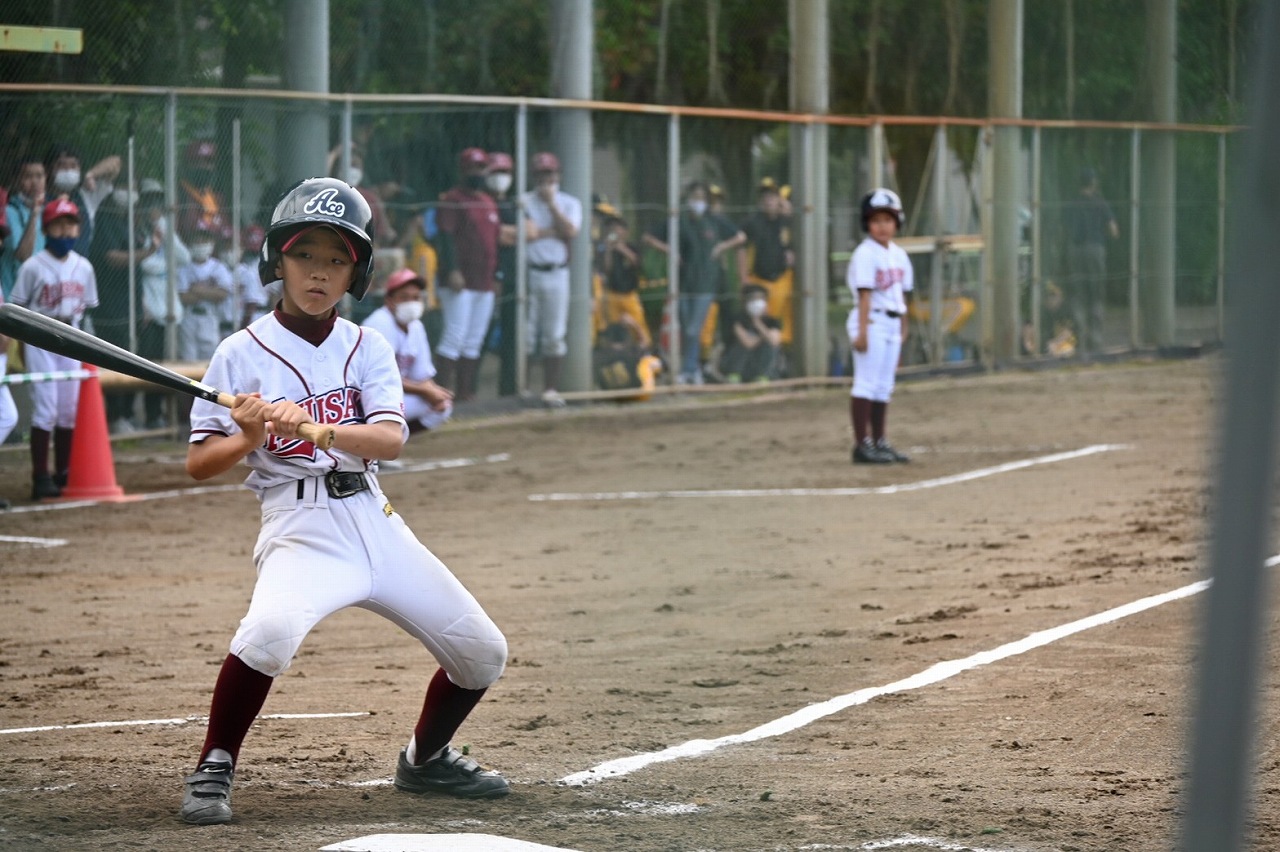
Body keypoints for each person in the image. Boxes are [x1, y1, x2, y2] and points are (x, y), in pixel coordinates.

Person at [179, 177, 508, 826]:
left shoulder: (368, 345)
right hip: (299, 522)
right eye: (304, 255)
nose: (318, 272)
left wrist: (316, 428)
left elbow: (390, 439)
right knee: (268, 635)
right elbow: (198, 464)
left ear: (356, 273)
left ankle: (426, 760)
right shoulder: (239, 352)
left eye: (336, 259)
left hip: (375, 519)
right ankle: (215, 762)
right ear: (277, 261)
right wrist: (248, 436)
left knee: (482, 653)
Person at [9, 198, 99, 499]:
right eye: (58, 225)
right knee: (46, 409)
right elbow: (18, 309)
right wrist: (22, 346)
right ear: (46, 229)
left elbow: (86, 309)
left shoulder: (84, 267)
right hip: (41, 337)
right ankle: (40, 476)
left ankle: (63, 472)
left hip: (71, 337)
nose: (65, 231)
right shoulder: (32, 266)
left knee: (68, 410)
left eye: (70, 225)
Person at [643, 180, 744, 386]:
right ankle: (691, 369)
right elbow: (648, 237)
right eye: (694, 197)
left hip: (705, 284)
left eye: (701, 197)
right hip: (682, 284)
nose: (697, 201)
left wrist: (721, 247)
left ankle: (689, 368)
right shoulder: (679, 221)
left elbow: (740, 237)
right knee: (686, 329)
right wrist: (669, 250)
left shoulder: (714, 221)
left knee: (692, 329)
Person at [846, 188, 912, 465]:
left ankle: (880, 441)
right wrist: (862, 332)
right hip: (871, 321)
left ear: (897, 222)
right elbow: (865, 295)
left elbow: (902, 294)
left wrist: (903, 327)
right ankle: (862, 444)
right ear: (867, 224)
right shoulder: (865, 254)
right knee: (866, 383)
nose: (882, 226)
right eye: (875, 220)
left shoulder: (899, 255)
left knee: (884, 386)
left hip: (892, 323)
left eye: (888, 219)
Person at [88, 180, 155, 432]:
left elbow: (136, 270)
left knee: (134, 358)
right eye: (125, 186)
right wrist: (147, 252)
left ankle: (127, 413)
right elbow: (111, 258)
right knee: (113, 358)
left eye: (133, 188)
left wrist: (143, 304)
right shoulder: (104, 219)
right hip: (110, 307)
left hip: (132, 304)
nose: (130, 193)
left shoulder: (129, 222)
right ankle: (115, 416)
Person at [434, 148, 500, 402]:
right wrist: (452, 269)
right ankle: (440, 395)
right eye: (472, 168)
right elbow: (446, 237)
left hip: (484, 280)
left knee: (474, 339)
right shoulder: (453, 199)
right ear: (462, 170)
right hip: (459, 280)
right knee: (455, 335)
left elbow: (494, 242)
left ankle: (465, 393)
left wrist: (496, 276)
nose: (477, 173)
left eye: (481, 168)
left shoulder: (488, 201)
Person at [521, 151, 583, 407]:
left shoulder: (569, 202)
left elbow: (570, 231)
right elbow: (527, 234)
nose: (545, 179)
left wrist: (551, 206)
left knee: (554, 335)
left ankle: (550, 389)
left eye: (550, 173)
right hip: (529, 272)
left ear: (558, 175)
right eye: (541, 174)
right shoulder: (524, 200)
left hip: (558, 272)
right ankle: (524, 389)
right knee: (526, 334)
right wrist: (551, 231)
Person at [362, 267, 454, 433]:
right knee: (423, 402)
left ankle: (392, 441)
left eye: (415, 297)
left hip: (391, 393)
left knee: (442, 404)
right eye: (404, 297)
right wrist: (425, 390)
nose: (411, 302)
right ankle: (378, 441)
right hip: (365, 396)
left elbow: (422, 375)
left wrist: (433, 391)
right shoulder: (379, 323)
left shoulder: (416, 326)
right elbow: (381, 377)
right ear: (389, 301)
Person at [137, 179, 191, 429]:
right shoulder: (137, 230)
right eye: (148, 201)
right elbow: (146, 265)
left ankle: (162, 416)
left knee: (168, 366)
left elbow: (184, 257)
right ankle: (145, 415)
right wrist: (163, 259)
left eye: (157, 201)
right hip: (148, 310)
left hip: (169, 311)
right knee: (148, 364)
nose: (153, 206)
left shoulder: (164, 228)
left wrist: (163, 225)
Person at [1062, 167, 1119, 355]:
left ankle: (1079, 338)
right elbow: (1113, 230)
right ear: (1093, 182)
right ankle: (1096, 339)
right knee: (1096, 294)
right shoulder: (1100, 203)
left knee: (1078, 294)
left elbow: (1064, 229)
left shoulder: (1072, 203)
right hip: (1095, 248)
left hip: (1075, 250)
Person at [738, 178, 795, 351]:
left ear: (779, 199)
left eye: (772, 196)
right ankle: (761, 351)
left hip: (782, 278)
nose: (769, 200)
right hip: (759, 279)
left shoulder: (786, 221)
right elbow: (741, 249)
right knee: (760, 318)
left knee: (783, 319)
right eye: (765, 197)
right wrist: (743, 278)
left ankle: (783, 351)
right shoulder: (752, 222)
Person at [485, 152, 521, 397]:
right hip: (486, 277)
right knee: (480, 336)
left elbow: (531, 231)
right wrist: (510, 232)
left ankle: (508, 389)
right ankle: (466, 392)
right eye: (496, 172)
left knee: (511, 335)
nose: (501, 177)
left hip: (511, 278)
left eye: (505, 172)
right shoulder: (483, 202)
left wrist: (506, 232)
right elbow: (495, 235)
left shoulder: (512, 204)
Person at [46, 144, 122, 256]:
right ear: (49, 169)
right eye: (61, 165)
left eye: (73, 166)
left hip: (80, 264)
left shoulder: (86, 195)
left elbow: (116, 162)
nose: (68, 170)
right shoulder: (40, 199)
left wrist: (91, 175)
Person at [177, 220, 234, 360]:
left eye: (204, 240)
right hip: (189, 316)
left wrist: (197, 290)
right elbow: (183, 297)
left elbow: (222, 294)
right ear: (191, 243)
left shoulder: (218, 267)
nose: (201, 244)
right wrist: (210, 291)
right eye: (197, 240)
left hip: (210, 315)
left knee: (209, 358)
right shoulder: (184, 268)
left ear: (211, 243)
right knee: (188, 359)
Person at [596, 207, 649, 348]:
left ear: (625, 231)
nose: (614, 231)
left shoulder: (632, 247)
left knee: (638, 325)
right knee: (614, 327)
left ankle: (642, 348)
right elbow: (606, 270)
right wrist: (608, 250)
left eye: (617, 228)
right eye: (611, 228)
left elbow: (637, 263)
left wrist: (621, 248)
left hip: (629, 294)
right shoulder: (604, 249)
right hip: (612, 294)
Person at [3, 156, 47, 298]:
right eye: (28, 176)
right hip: (11, 300)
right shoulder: (8, 212)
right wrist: (34, 215)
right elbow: (23, 256)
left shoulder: (47, 213)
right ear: (16, 181)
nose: (35, 182)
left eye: (39, 176)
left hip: (37, 301)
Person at [721, 283, 782, 383]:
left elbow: (774, 341)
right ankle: (734, 375)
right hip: (739, 364)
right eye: (753, 299)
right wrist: (764, 335)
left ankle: (763, 377)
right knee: (742, 345)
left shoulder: (772, 321)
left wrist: (759, 325)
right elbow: (748, 344)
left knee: (769, 345)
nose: (757, 302)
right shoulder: (737, 320)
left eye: (761, 299)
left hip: (759, 364)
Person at [593, 318, 662, 402]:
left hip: (611, 396)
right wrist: (634, 324)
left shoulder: (599, 355)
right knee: (649, 360)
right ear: (626, 338)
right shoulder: (630, 351)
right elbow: (645, 343)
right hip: (640, 393)